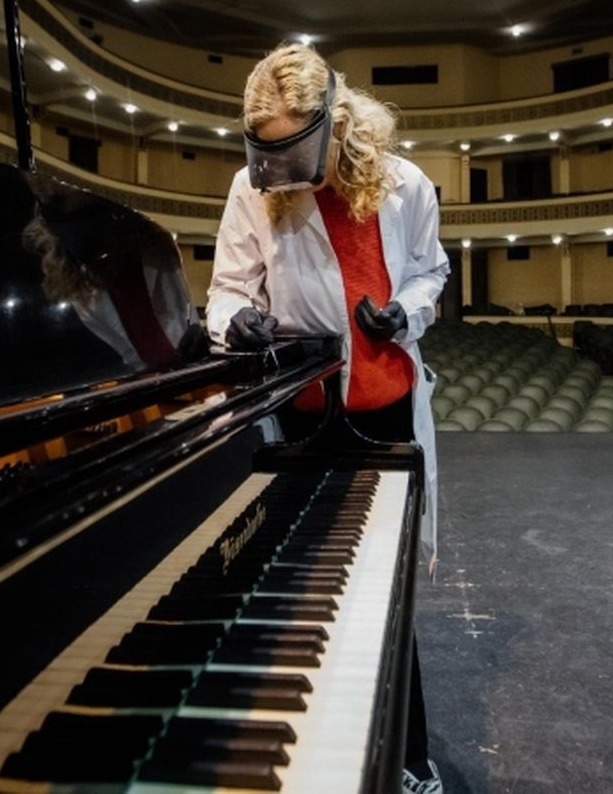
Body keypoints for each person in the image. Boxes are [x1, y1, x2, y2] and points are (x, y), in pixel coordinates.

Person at [206, 43, 447, 793]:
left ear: (334, 122)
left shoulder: (405, 185)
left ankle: (408, 759)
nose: (277, 166)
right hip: (298, 423)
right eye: (264, 150)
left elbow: (432, 272)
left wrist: (403, 312)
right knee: (303, 592)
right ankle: (317, 758)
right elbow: (224, 291)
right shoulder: (253, 190)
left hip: (386, 418)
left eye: (292, 148)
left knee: (386, 593)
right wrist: (236, 322)